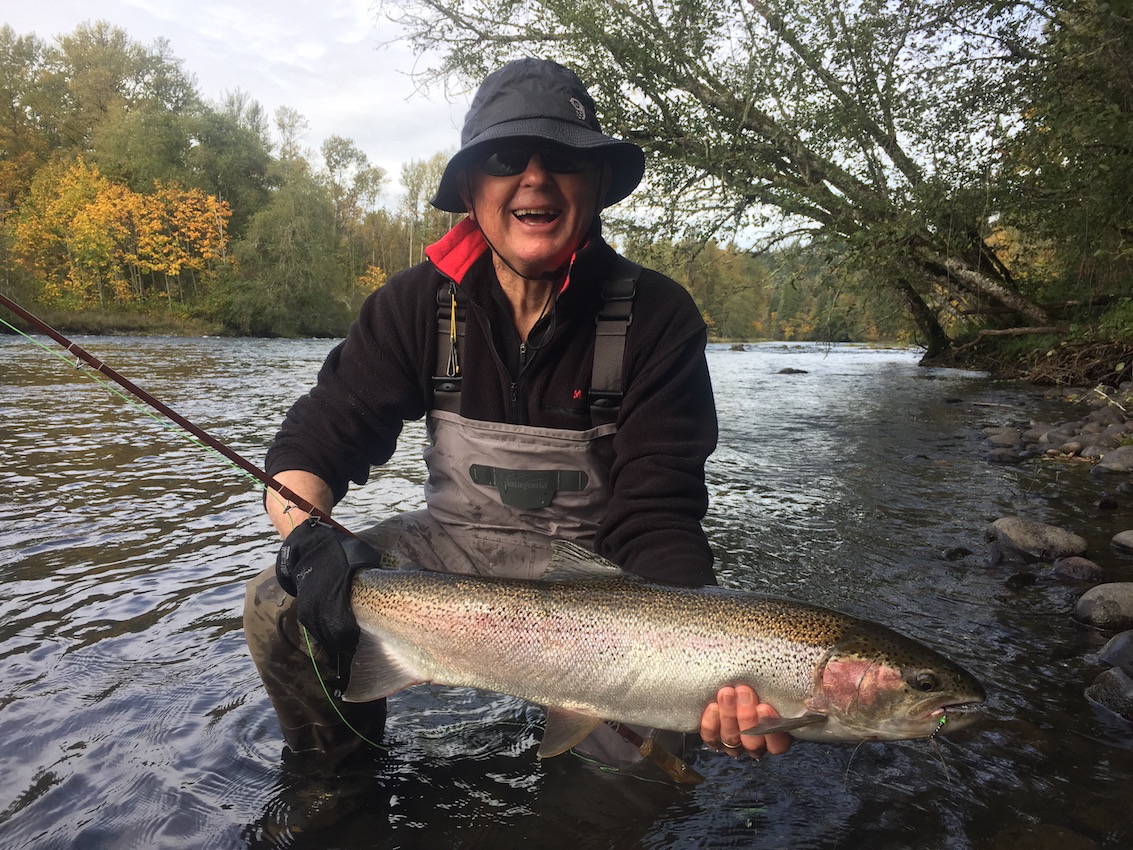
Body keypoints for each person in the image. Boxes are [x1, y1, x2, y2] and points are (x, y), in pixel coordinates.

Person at [244, 57, 790, 771]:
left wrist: (703, 656)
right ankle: (335, 784)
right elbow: (315, 443)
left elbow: (659, 508)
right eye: (506, 158)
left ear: (594, 187)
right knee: (279, 604)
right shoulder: (414, 305)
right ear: (472, 189)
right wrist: (309, 539)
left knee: (634, 779)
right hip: (453, 549)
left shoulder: (657, 316)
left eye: (562, 157)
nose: (534, 177)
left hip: (606, 573)